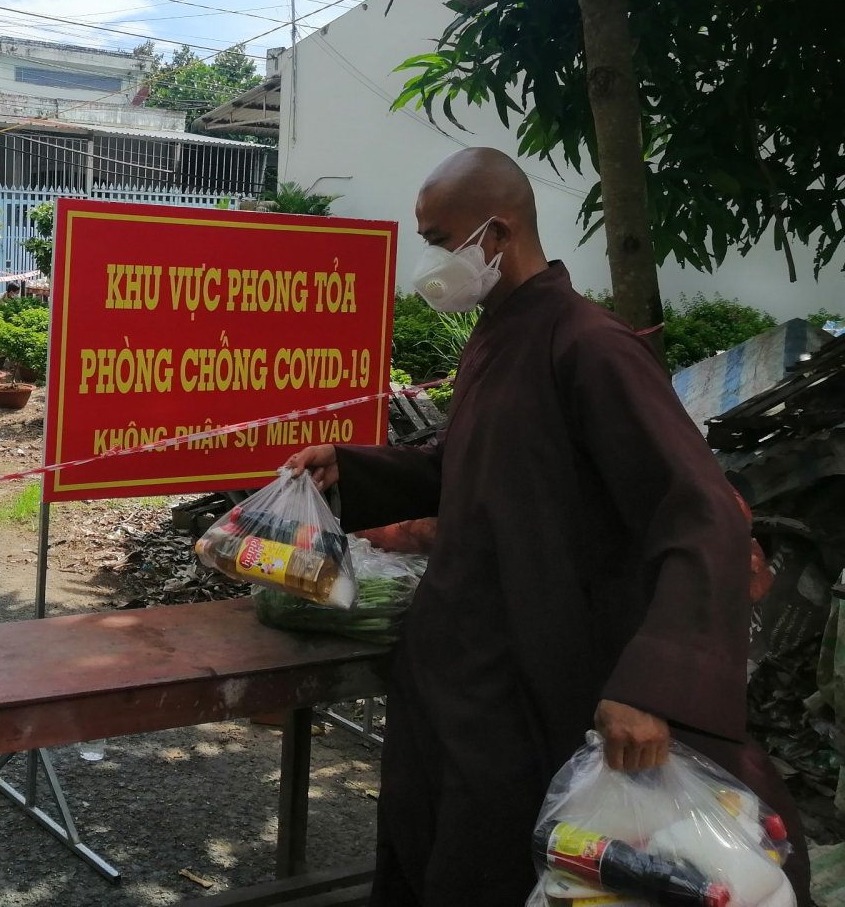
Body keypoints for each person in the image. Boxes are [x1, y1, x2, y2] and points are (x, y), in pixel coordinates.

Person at [286, 147, 807, 906]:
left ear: (495, 235)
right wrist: (355, 468)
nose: (431, 262)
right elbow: (474, 462)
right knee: (430, 843)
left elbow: (700, 512)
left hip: (542, 674)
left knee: (497, 862)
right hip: (458, 662)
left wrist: (653, 686)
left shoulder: (591, 347)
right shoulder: (498, 332)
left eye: (440, 241)